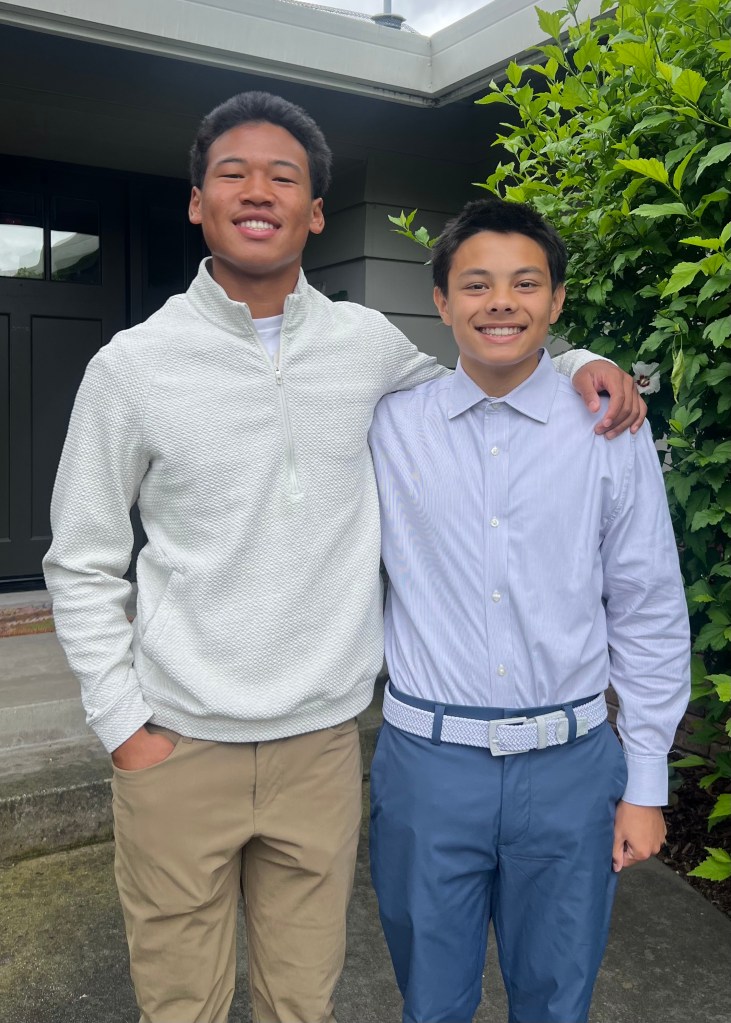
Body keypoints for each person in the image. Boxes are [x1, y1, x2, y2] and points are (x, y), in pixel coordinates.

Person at [43, 92, 645, 1023]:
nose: (258, 191)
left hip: (321, 746)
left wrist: (573, 363)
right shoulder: (132, 366)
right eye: (233, 173)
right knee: (179, 1004)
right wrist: (124, 724)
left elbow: (481, 373)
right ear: (197, 201)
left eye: (283, 177)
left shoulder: (364, 345)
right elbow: (81, 562)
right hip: (178, 741)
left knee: (303, 1002)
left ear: (316, 211)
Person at [367, 196, 690, 1023]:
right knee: (430, 1003)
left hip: (569, 767)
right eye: (475, 284)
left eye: (525, 283)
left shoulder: (607, 429)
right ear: (441, 301)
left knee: (555, 1001)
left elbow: (647, 606)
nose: (500, 303)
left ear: (555, 299)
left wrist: (645, 780)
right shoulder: (387, 423)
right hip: (429, 766)